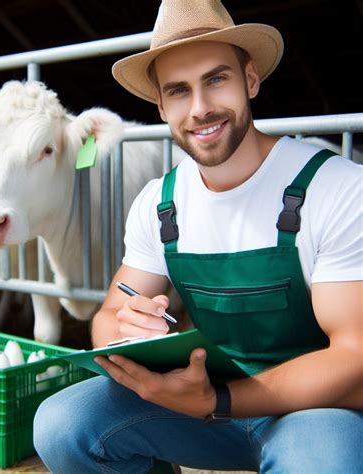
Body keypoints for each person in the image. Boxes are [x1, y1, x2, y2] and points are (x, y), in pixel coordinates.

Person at [33, 1, 363, 472]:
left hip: (315, 412)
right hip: (203, 405)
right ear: (161, 105)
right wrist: (128, 329)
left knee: (322, 464)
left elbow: (356, 357)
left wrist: (221, 399)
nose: (201, 108)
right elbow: (107, 315)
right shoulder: (159, 203)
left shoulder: (337, 187)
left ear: (250, 79)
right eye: (179, 91)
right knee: (63, 424)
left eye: (216, 79)